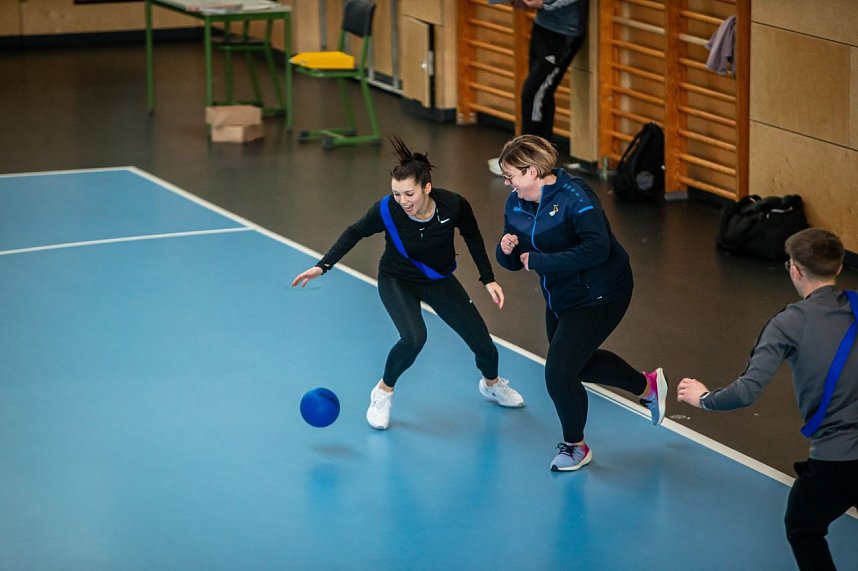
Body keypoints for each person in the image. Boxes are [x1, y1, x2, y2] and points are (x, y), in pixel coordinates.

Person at [292, 136, 524, 430]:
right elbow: (355, 232)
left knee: (483, 344)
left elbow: (473, 236)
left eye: (409, 194)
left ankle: (491, 384)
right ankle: (383, 392)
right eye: (397, 193)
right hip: (396, 280)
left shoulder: (453, 205)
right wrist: (322, 266)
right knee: (414, 338)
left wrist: (487, 279)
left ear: (427, 188)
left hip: (438, 281)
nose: (403, 201)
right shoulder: (387, 210)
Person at [677, 228, 858, 571]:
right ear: (838, 268)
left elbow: (747, 391)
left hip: (837, 459)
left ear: (795, 270)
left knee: (803, 528)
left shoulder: (788, 323)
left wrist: (703, 398)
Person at [495, 134, 667, 471]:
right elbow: (515, 260)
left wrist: (539, 261)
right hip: (560, 295)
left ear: (531, 172)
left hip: (602, 291)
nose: (506, 182)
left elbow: (596, 249)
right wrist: (506, 251)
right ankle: (645, 386)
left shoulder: (576, 197)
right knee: (580, 365)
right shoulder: (516, 203)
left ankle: (576, 446)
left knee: (559, 373)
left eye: (510, 175)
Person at [489, 0, 589, 176]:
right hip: (543, 26)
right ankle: (540, 160)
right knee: (542, 94)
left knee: (533, 93)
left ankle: (523, 160)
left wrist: (543, 2)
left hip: (564, 32)